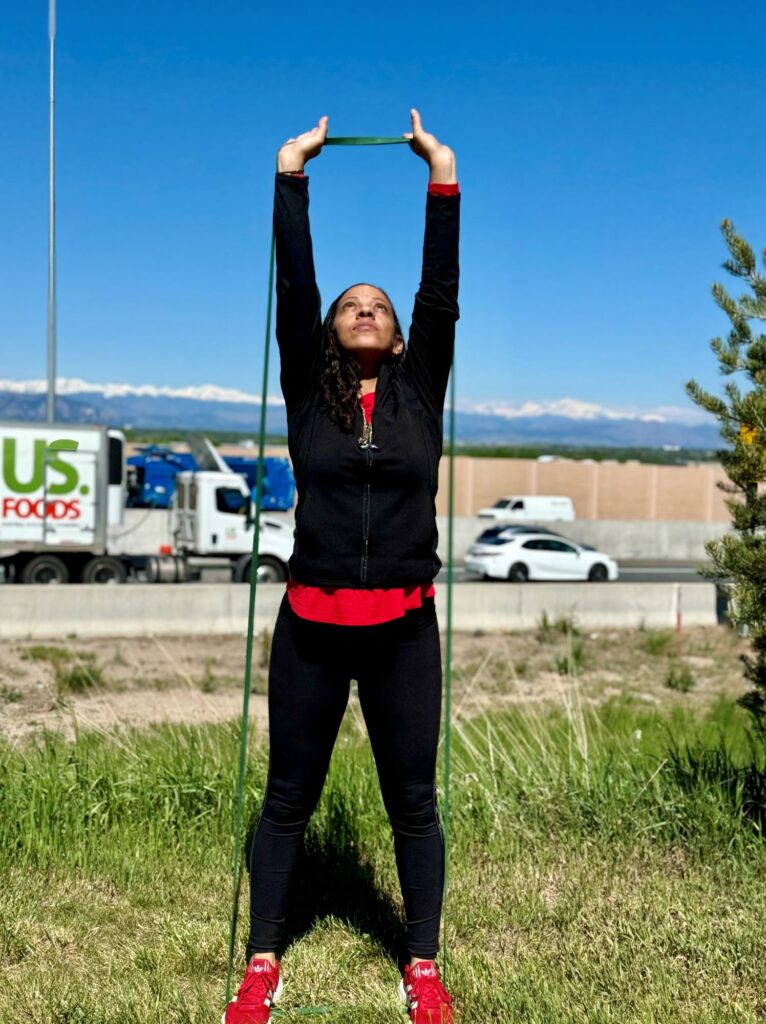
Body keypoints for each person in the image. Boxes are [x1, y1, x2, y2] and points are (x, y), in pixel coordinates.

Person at [223, 109, 460, 1024]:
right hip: (312, 629)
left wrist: (440, 174)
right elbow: (297, 283)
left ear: (401, 340)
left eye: (381, 307)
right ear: (327, 334)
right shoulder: (306, 391)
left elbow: (440, 290)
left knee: (413, 802)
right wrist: (291, 175)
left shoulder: (419, 392)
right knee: (288, 797)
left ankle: (424, 964)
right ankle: (262, 961)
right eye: (349, 306)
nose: (366, 307)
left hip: (403, 629)